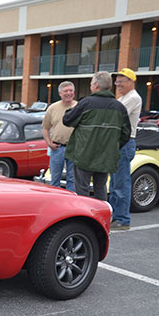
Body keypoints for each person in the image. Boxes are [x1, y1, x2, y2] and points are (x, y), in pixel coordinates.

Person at [62, 71, 131, 201]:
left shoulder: (86, 103)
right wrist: (111, 146)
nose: (90, 86)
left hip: (84, 155)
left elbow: (67, 120)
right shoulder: (119, 107)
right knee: (101, 188)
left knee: (82, 190)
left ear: (96, 86)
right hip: (106, 156)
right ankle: (102, 217)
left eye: (91, 83)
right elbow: (125, 134)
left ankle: (85, 219)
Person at [109, 68, 142, 230]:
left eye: (121, 81)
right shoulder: (124, 98)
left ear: (131, 82)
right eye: (117, 82)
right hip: (119, 143)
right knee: (115, 182)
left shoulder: (133, 98)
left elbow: (114, 114)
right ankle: (116, 216)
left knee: (121, 182)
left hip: (125, 142)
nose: (118, 84)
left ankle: (122, 219)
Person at [42, 81, 77, 191]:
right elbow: (45, 128)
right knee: (55, 179)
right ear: (60, 93)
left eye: (71, 91)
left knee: (73, 179)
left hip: (74, 149)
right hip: (57, 148)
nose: (68, 93)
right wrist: (49, 143)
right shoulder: (53, 108)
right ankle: (55, 202)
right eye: (65, 91)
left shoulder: (79, 107)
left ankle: (71, 202)